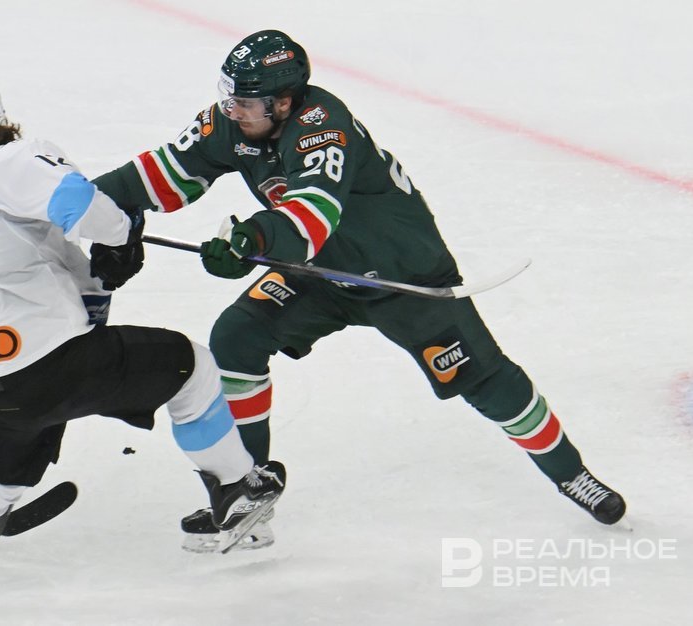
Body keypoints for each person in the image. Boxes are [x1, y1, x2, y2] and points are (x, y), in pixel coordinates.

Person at [92, 30, 626, 552]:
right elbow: (163, 173)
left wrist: (250, 239)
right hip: (319, 274)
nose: (232, 111)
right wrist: (82, 205)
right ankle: (246, 493)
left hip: (404, 277)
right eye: (228, 97)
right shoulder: (233, 124)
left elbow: (312, 214)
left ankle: (572, 475)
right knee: (238, 337)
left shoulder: (322, 127)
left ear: (284, 102)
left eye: (245, 102)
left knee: (486, 381)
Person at [0, 74, 286, 602]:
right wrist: (122, 233)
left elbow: (65, 282)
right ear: (2, 121)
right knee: (193, 368)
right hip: (54, 358)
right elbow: (79, 203)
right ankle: (238, 488)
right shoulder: (12, 161)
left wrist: (105, 275)